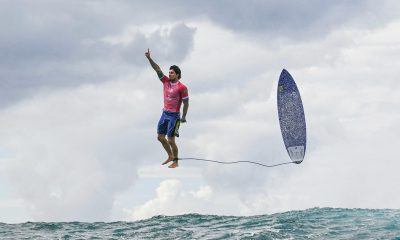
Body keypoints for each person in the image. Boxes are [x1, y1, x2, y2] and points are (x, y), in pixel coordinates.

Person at [145, 48, 189, 168]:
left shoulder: (182, 87)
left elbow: (186, 103)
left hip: (174, 116)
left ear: (178, 75)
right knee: (160, 137)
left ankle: (176, 161)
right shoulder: (165, 81)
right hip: (164, 114)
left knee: (171, 140)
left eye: (172, 73)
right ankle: (170, 155)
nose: (169, 74)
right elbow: (157, 69)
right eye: (169, 72)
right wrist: (149, 59)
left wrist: (183, 117)